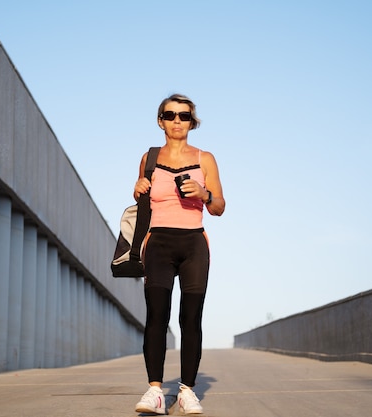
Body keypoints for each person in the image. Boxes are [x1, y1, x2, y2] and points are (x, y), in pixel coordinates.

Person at [134, 94, 225, 415]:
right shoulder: (149, 157)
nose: (176, 121)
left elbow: (219, 208)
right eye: (170, 115)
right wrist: (138, 187)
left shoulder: (205, 158)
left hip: (193, 245)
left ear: (192, 122)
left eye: (184, 116)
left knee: (191, 318)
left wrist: (204, 193)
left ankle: (187, 390)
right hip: (157, 243)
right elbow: (141, 197)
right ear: (160, 120)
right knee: (156, 316)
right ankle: (156, 391)